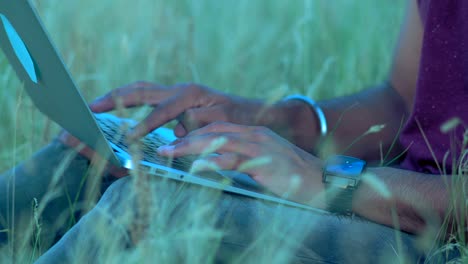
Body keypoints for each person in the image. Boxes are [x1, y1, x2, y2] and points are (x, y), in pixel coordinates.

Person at [0, 0, 466, 262]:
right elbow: (404, 100)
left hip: (437, 242)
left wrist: (329, 182)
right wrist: (272, 120)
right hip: (390, 199)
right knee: (89, 161)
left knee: (154, 203)